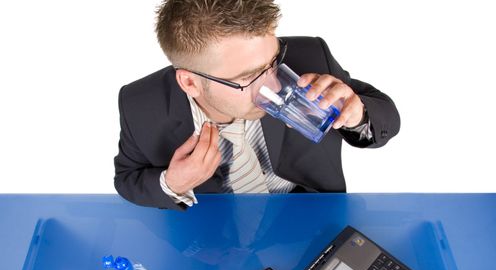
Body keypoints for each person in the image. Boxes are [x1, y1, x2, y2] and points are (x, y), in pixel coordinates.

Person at [114, 0, 400, 210]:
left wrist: (357, 114)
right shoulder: (139, 105)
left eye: (274, 61)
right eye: (248, 77)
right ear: (190, 82)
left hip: (311, 220)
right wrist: (172, 184)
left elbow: (385, 115)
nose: (273, 85)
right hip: (214, 242)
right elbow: (127, 179)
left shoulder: (311, 56)